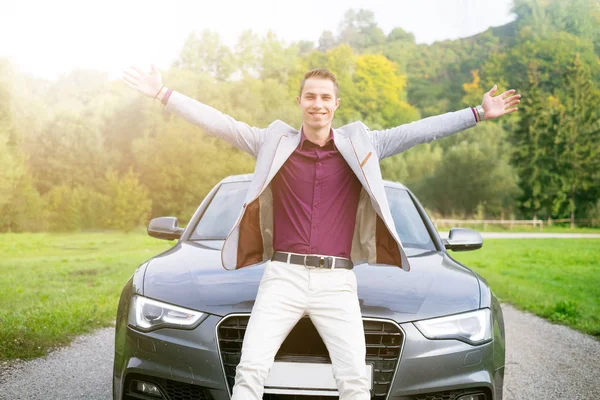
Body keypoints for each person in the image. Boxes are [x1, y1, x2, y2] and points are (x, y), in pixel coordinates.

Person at [122, 65, 520, 400]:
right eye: (310, 96)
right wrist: (162, 93)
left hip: (337, 282)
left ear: (336, 105)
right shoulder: (272, 143)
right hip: (283, 277)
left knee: (352, 382)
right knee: (250, 372)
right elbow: (219, 123)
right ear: (300, 102)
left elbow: (419, 131)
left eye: (325, 98)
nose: (318, 104)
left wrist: (478, 113)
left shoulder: (363, 145)